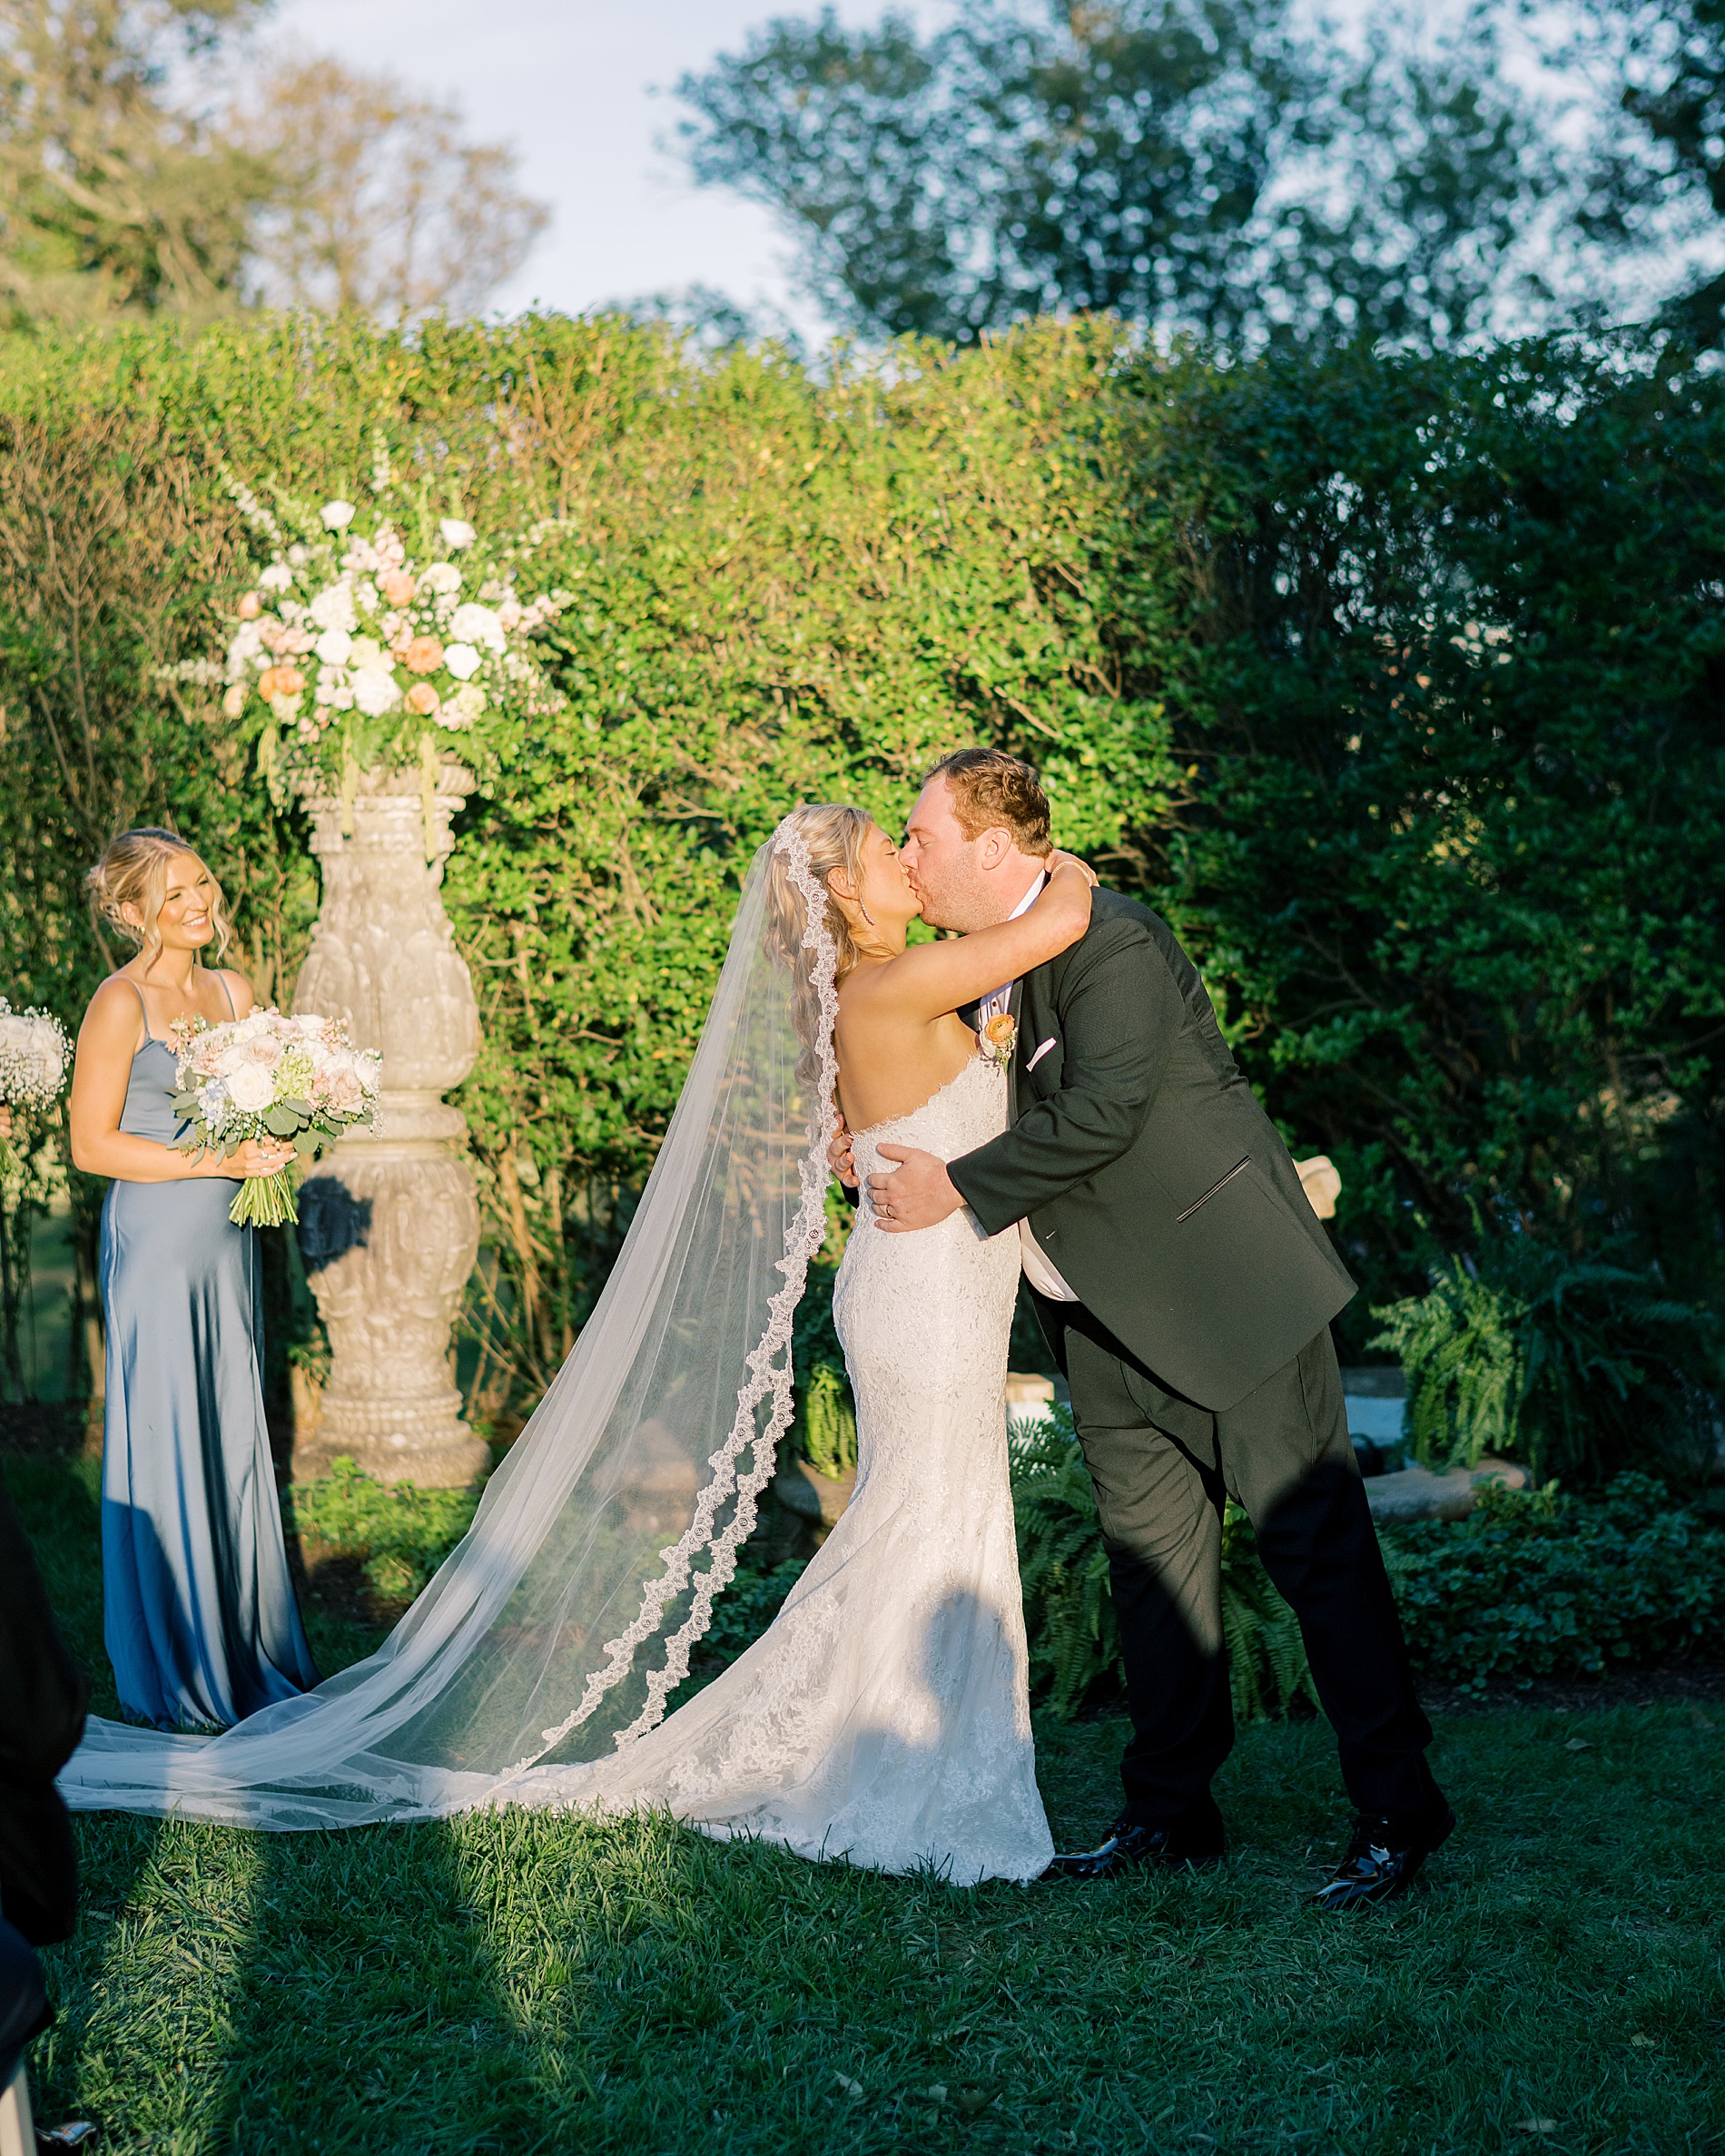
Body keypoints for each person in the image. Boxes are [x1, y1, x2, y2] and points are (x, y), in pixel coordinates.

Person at [58, 809, 1094, 1888]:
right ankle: (902, 1759)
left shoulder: (890, 984)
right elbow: (1059, 915)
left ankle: (899, 1744)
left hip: (933, 1284)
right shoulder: (900, 979)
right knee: (927, 1512)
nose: (905, 860)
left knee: (933, 1513)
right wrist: (1041, 855)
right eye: (891, 847)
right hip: (920, 1296)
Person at [851, 749, 1452, 1908]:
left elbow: (1107, 1108)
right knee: (1150, 1566)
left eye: (923, 834)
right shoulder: (983, 962)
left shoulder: (1112, 939)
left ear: (993, 845)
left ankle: (1398, 1811)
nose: (910, 853)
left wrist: (959, 1186)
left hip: (1227, 1293)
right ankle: (1170, 1811)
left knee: (1313, 1554)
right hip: (1095, 1315)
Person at [69, 829, 317, 1731]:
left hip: (225, 1241)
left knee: (230, 1427)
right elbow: (91, 1143)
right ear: (133, 911)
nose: (198, 903)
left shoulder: (233, 991)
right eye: (174, 894)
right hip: (158, 1236)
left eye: (202, 884)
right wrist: (217, 1160)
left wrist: (285, 1128)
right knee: (170, 1425)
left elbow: (258, 1101)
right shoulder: (117, 1002)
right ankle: (176, 1663)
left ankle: (246, 1641)